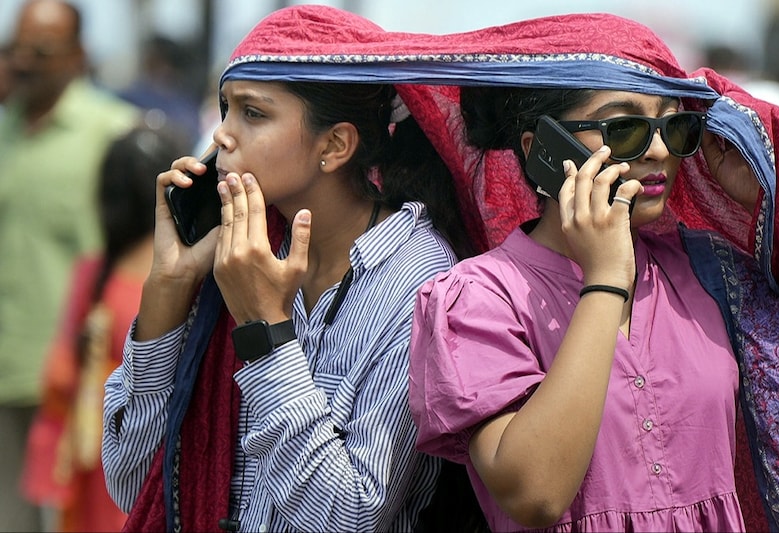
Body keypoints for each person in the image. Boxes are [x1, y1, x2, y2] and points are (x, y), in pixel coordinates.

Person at [328, 12, 779, 533]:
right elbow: (535, 492)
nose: (659, 150)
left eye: (675, 127)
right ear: (542, 149)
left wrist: (767, 204)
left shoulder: (709, 272)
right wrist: (606, 277)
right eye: (625, 128)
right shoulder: (475, 297)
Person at [100, 6, 475, 533]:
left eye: (253, 114)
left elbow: (348, 518)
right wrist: (172, 285)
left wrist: (264, 331)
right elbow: (137, 484)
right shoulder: (240, 252)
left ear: (334, 145)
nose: (221, 135)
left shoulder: (419, 282)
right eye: (226, 108)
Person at [0, 1, 139, 530]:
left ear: (77, 55)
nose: (25, 61)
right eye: (17, 48)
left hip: (73, 380)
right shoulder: (6, 131)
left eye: (42, 50)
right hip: (8, 370)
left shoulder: (114, 133)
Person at [19, 125, 187, 532]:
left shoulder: (96, 275)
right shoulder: (192, 270)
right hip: (164, 454)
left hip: (100, 452)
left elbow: (60, 376)